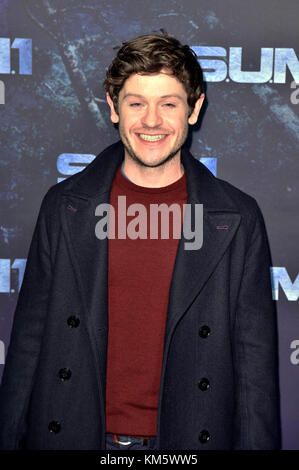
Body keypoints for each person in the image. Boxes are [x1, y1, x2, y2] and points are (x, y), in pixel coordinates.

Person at [0, 33, 281, 451]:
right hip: (76, 435)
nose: (152, 121)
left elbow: (254, 372)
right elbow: (29, 343)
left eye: (168, 103)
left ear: (194, 108)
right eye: (136, 103)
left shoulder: (237, 218)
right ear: (113, 108)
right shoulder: (64, 207)